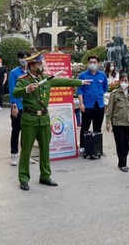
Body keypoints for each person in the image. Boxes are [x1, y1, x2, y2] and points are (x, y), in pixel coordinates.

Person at [13, 52, 91, 191]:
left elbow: (63, 81)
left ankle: (45, 176)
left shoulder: (46, 79)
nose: (41, 66)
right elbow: (15, 93)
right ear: (31, 66)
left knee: (45, 149)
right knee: (26, 150)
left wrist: (80, 82)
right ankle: (24, 178)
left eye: (41, 63)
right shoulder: (23, 80)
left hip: (43, 119)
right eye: (38, 64)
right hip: (29, 119)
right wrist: (27, 89)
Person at [105, 74, 129, 172]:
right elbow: (110, 109)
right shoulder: (114, 94)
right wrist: (108, 122)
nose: (124, 82)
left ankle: (123, 160)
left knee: (127, 144)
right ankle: (122, 163)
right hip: (117, 122)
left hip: (128, 122)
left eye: (126, 80)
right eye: (122, 80)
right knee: (120, 143)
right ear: (119, 81)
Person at [77, 55, 109, 155]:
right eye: (90, 62)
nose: (92, 64)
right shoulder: (82, 75)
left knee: (97, 127)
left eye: (94, 62)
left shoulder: (102, 75)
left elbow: (104, 88)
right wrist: (81, 104)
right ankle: (82, 147)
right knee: (85, 127)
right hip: (87, 105)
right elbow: (80, 91)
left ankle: (97, 148)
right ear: (88, 63)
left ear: (98, 63)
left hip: (99, 104)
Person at [8, 50, 35, 167]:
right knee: (16, 131)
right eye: (22, 58)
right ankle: (14, 155)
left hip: (29, 106)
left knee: (27, 132)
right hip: (18, 106)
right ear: (18, 59)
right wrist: (13, 105)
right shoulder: (14, 73)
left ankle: (26, 155)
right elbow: (12, 90)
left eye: (26, 58)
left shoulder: (32, 72)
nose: (24, 60)